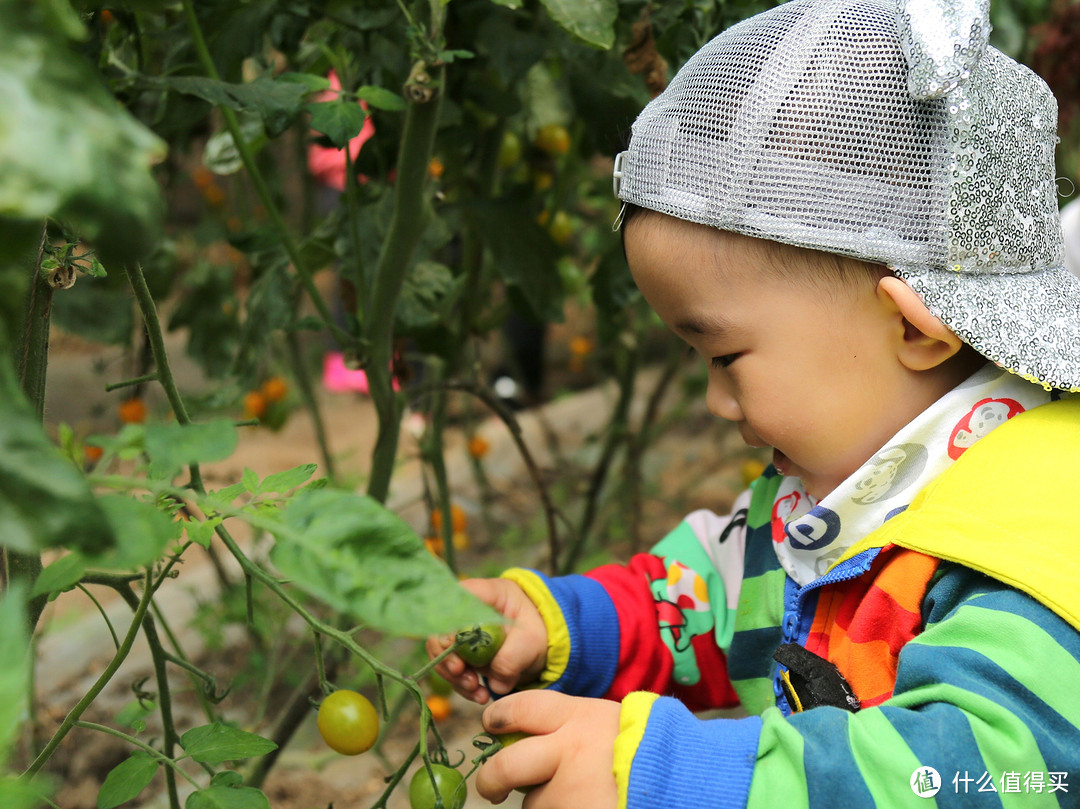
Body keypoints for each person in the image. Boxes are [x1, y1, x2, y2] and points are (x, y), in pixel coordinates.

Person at [426, 0, 1080, 806]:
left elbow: (983, 774)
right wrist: (565, 623)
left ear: (916, 330)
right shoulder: (846, 494)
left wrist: (690, 780)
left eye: (726, 356)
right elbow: (704, 598)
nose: (715, 400)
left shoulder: (1035, 542)